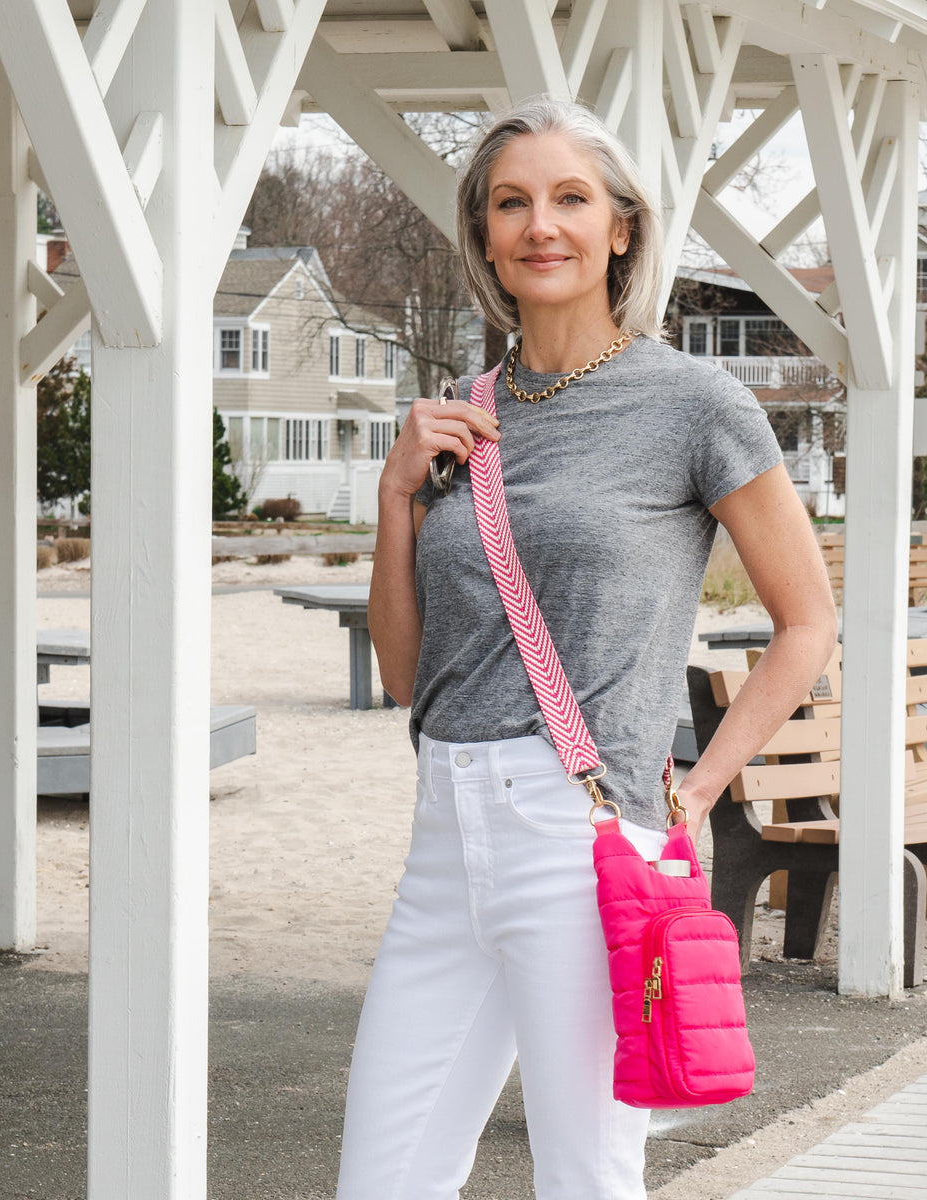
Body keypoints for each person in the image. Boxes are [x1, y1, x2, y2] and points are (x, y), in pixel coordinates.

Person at [337, 97, 837, 1200]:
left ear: (621, 230)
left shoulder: (692, 403)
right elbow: (412, 676)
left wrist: (704, 786)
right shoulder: (463, 419)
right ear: (485, 240)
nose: (540, 225)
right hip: (443, 826)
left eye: (571, 198)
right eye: (511, 204)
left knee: (585, 1177)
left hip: (580, 833)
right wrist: (394, 496)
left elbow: (809, 622)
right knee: (382, 1178)